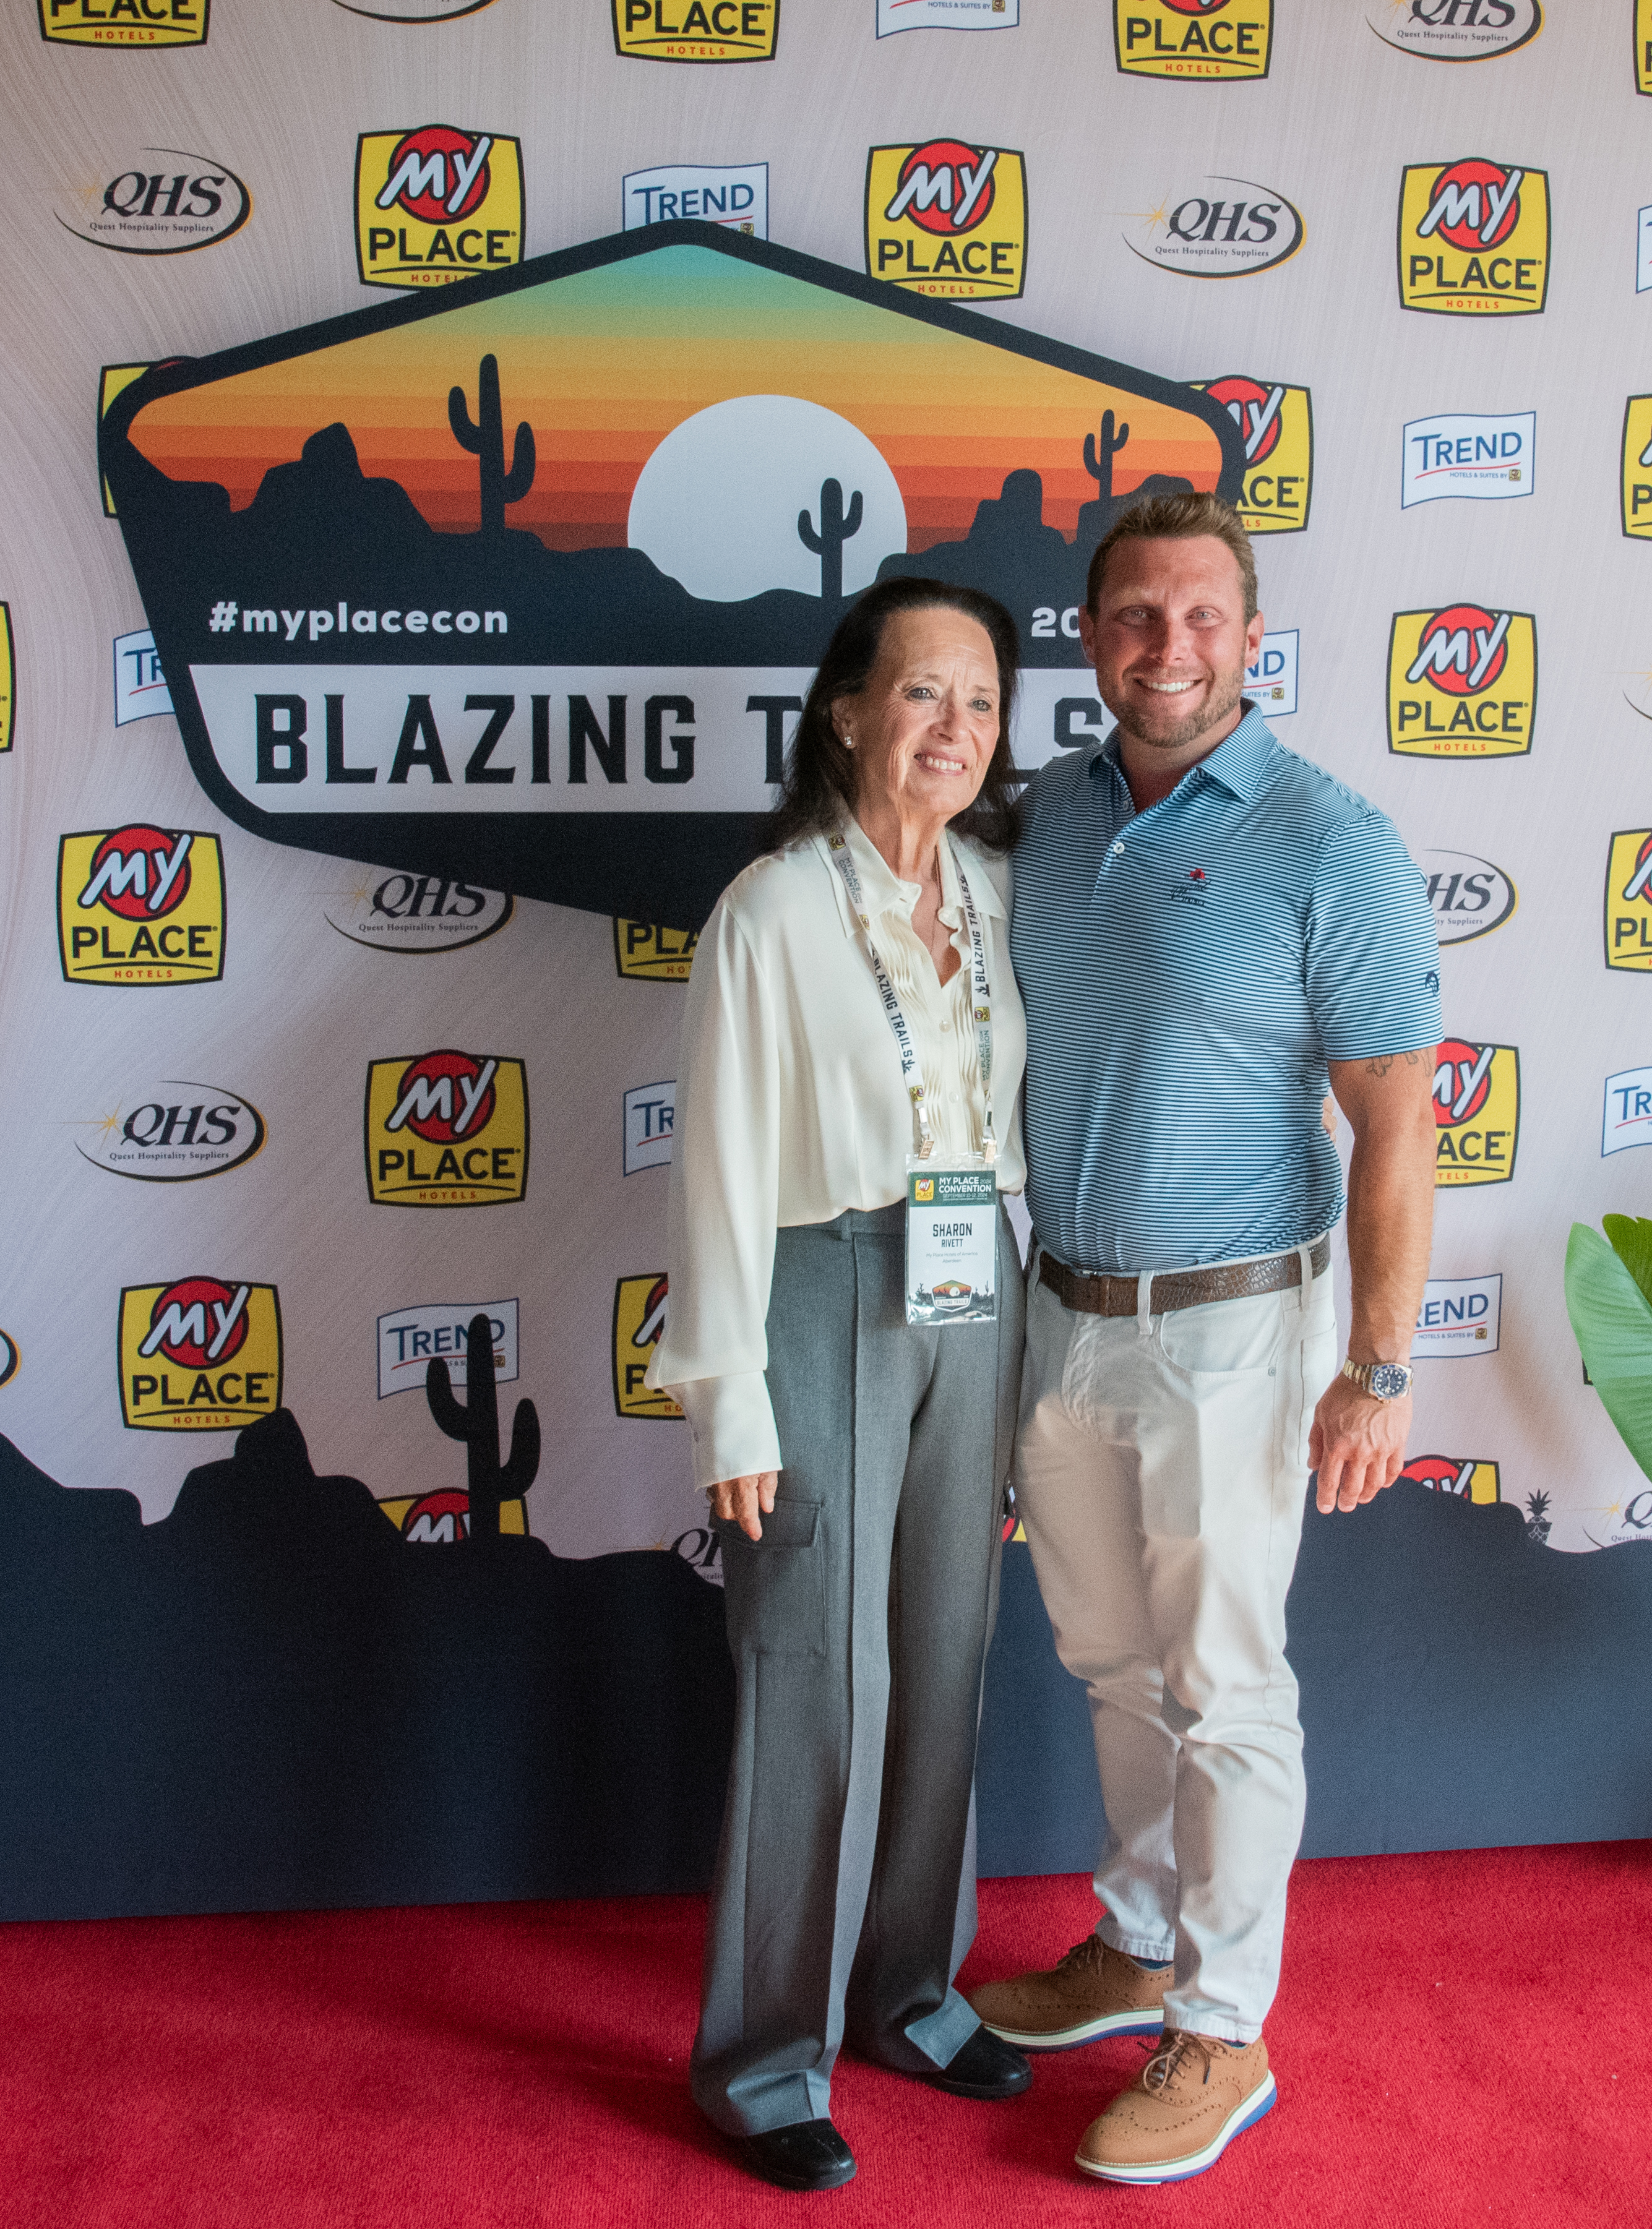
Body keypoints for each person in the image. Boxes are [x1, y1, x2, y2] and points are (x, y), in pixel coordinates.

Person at [970, 491, 1439, 2186]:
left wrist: (1378, 1369)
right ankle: (1138, 1944)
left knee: (1226, 1687)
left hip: (1238, 1328)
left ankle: (1225, 2027)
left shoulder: (1333, 840)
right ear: (1091, 637)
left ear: (1249, 636)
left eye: (1200, 617)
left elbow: (1399, 1123)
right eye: (1134, 616)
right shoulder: (1046, 814)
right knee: (1112, 1663)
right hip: (1064, 1311)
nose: (1167, 647)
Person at [651, 577, 1035, 2194]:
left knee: (945, 1652)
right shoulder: (772, 911)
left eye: (983, 701)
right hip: (821, 1281)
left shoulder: (1002, 893)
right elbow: (718, 1171)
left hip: (974, 1283)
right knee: (817, 1666)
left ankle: (910, 1993)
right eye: (925, 691)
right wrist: (727, 1396)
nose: (956, 727)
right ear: (848, 711)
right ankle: (762, 2060)